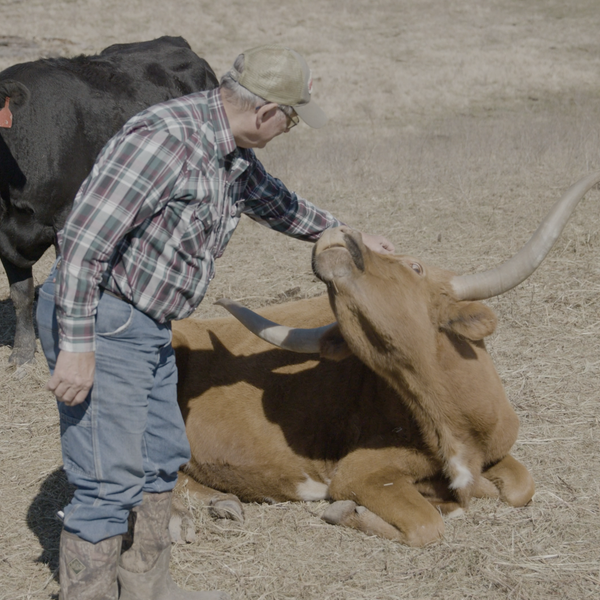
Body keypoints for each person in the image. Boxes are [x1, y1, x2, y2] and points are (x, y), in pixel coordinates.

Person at [36, 43, 394, 600]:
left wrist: (343, 231)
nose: (289, 129)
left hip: (146, 322)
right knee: (108, 480)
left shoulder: (226, 147)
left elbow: (271, 199)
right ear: (266, 112)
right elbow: (83, 245)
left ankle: (148, 588)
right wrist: (78, 346)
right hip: (100, 314)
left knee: (161, 459)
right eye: (291, 119)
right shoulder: (164, 141)